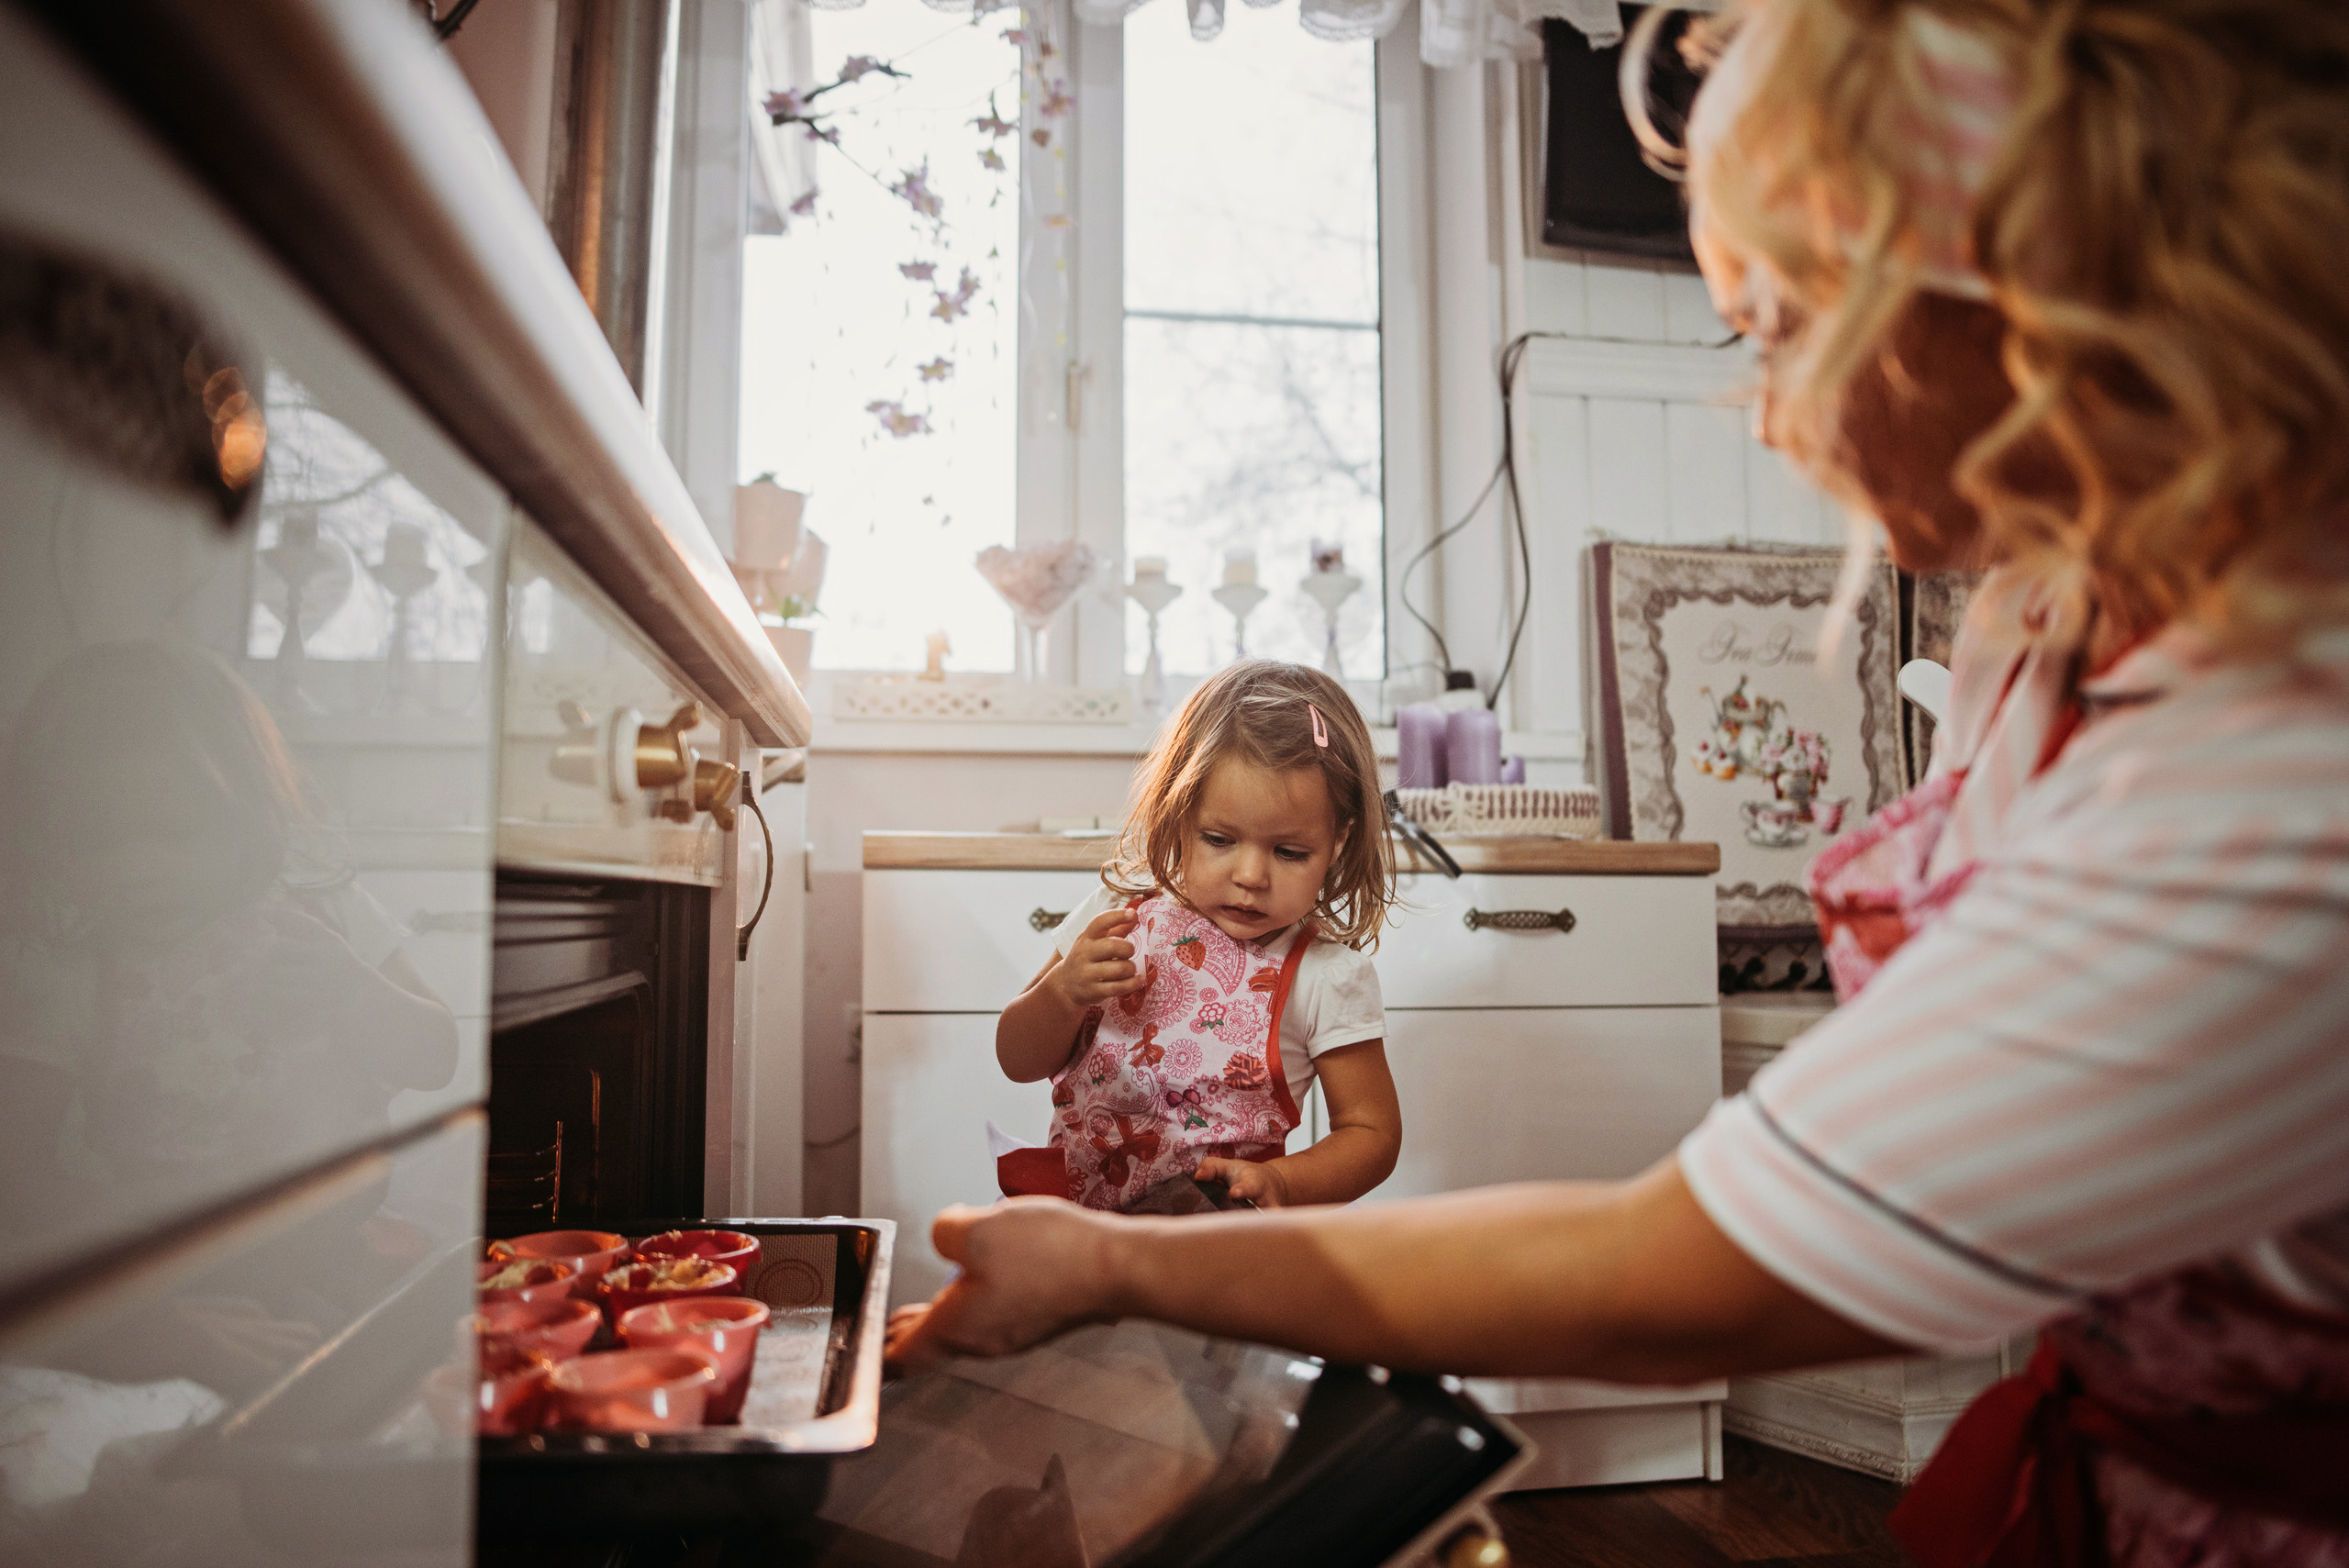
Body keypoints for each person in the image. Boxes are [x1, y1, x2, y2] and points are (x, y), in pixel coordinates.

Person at [887, 1, 2349, 1563]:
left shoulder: (2267, 765)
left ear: (2005, 288)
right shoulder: (2046, 621)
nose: (1767, 405)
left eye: (1780, 321)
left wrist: (1121, 1267)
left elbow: (1688, 1266)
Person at [993, 660, 1403, 1213]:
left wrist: (1283, 1182)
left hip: (1218, 1251)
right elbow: (1017, 1059)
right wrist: (1063, 993)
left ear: (1338, 843)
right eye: (1219, 839)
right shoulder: (1119, 913)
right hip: (1080, 1231)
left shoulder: (1325, 976)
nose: (1252, 876)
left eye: (1289, 852)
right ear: (1177, 815)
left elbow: (1371, 1133)